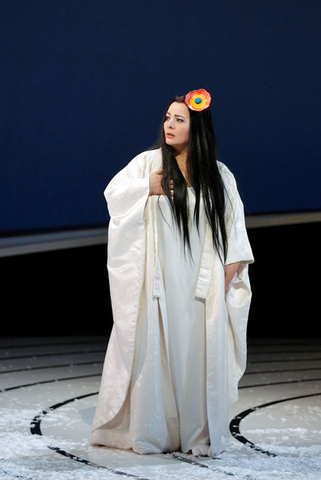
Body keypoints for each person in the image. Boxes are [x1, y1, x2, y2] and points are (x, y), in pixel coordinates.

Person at [90, 88, 254, 458]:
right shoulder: (148, 165)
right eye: (167, 117)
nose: (169, 125)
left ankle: (197, 433)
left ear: (196, 127)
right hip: (159, 288)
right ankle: (155, 431)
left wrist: (221, 286)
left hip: (201, 291)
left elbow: (236, 237)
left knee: (197, 361)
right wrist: (149, 187)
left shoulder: (219, 176)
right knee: (157, 357)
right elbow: (114, 195)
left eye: (179, 119)